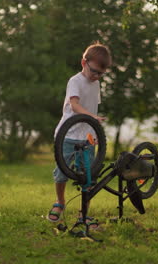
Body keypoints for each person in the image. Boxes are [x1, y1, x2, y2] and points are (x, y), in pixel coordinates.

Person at [47, 42, 111, 228]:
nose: (97, 76)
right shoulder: (75, 81)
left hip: (87, 137)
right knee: (62, 173)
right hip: (67, 135)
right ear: (84, 62)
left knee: (88, 176)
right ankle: (60, 203)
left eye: (101, 73)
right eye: (94, 71)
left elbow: (93, 106)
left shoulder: (96, 83)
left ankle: (84, 215)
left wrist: (94, 131)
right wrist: (91, 117)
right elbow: (75, 105)